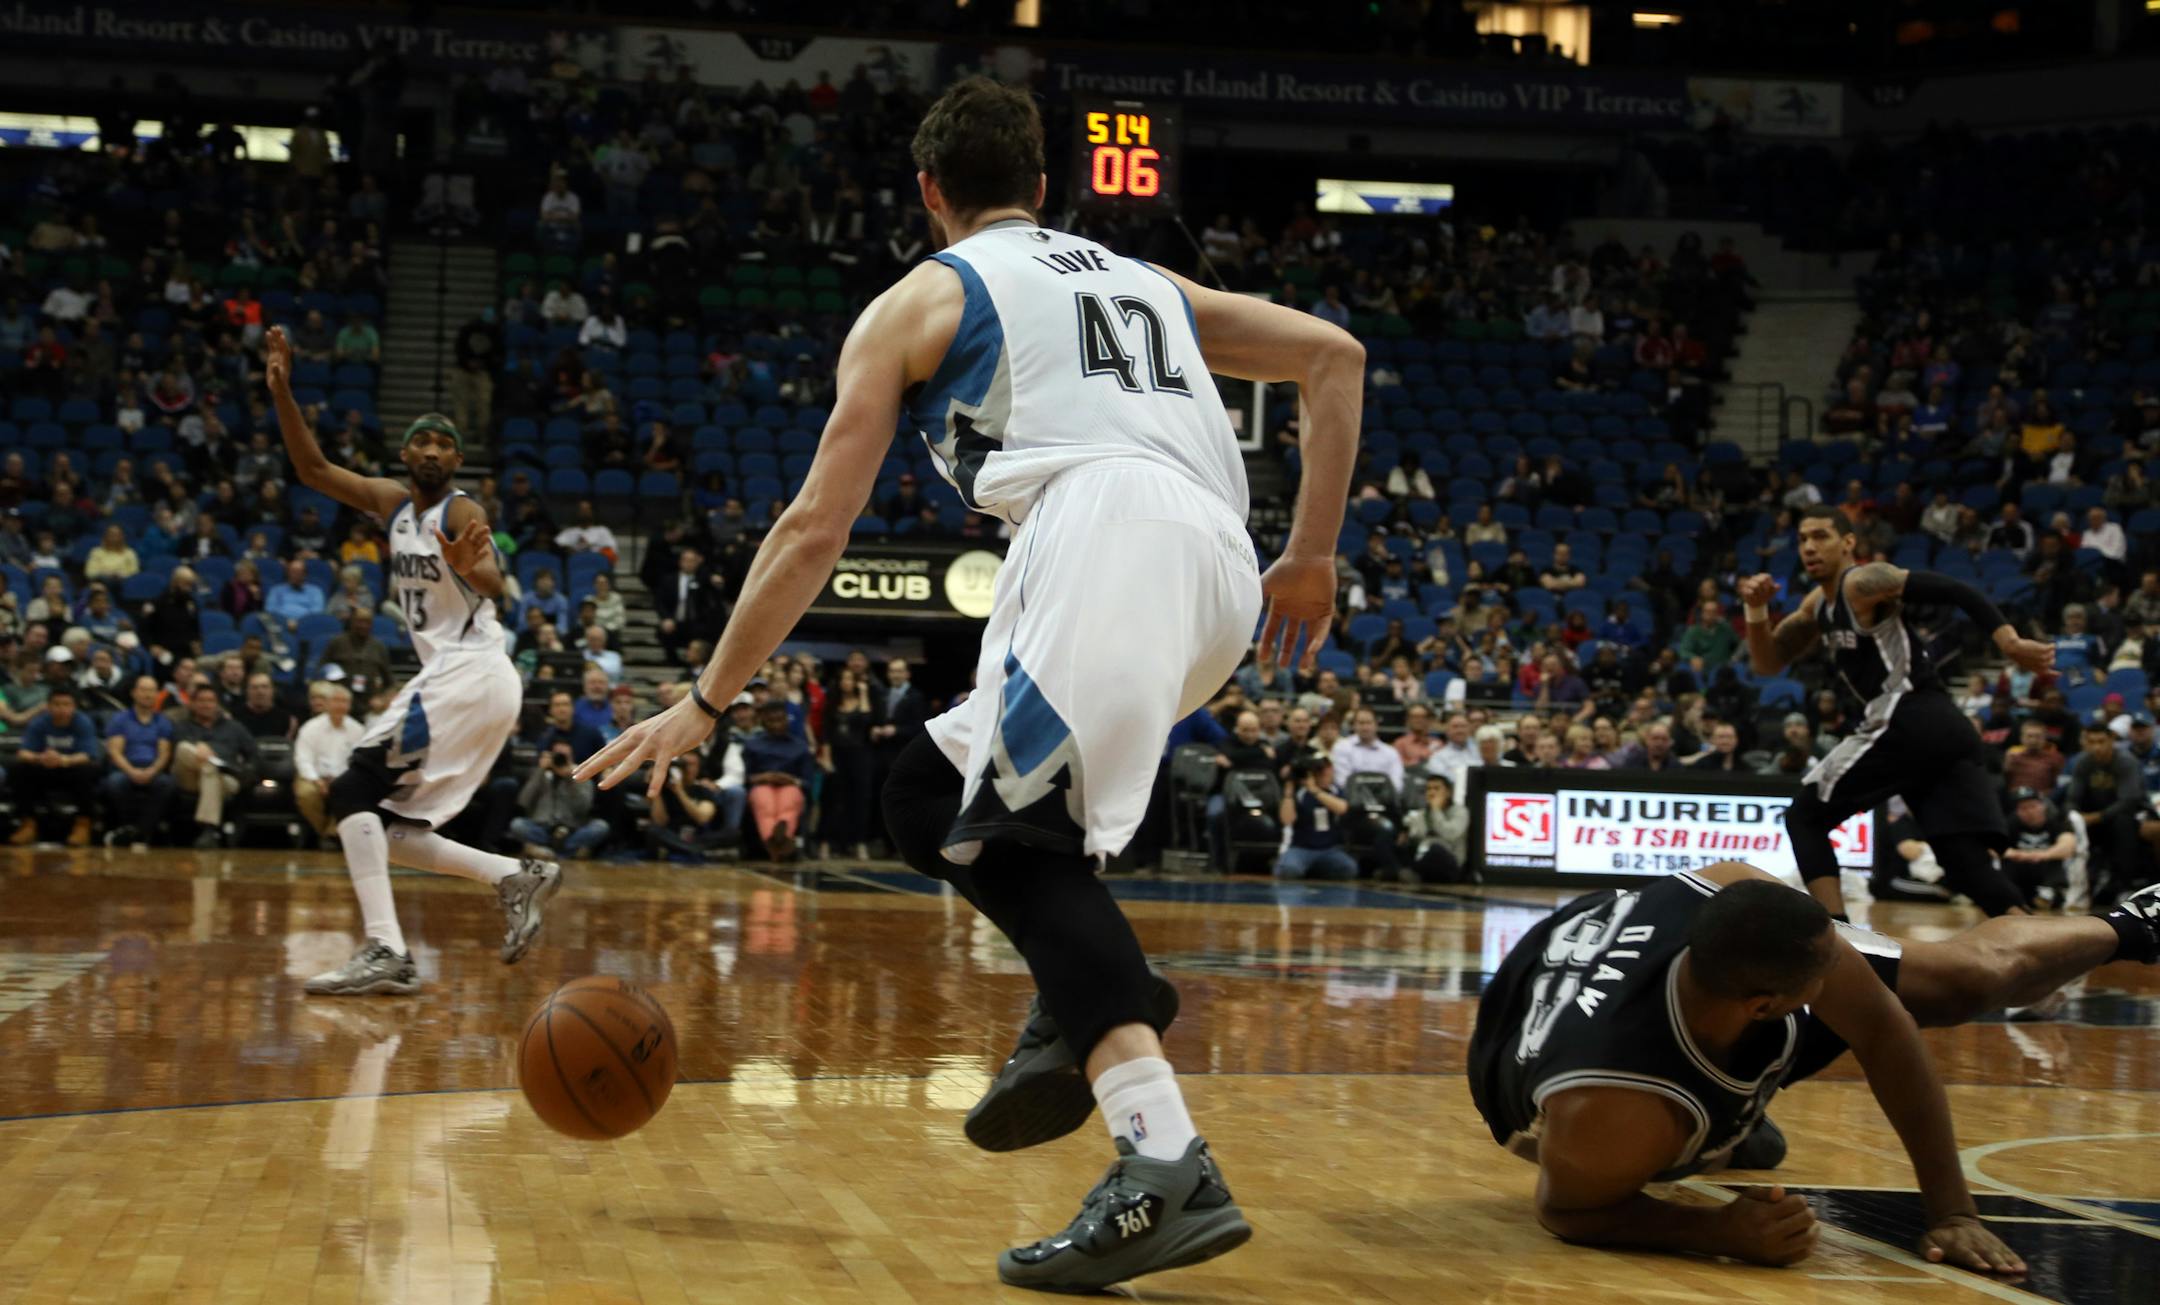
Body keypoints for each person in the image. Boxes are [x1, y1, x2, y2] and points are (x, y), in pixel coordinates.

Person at [576, 77, 1362, 1291]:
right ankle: (1084, 991)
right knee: (932, 797)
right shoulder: (1150, 282)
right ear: (1045, 188)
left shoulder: (921, 299)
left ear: (930, 193)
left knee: (987, 834)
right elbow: (1334, 357)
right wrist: (1308, 555)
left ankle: (1164, 1159)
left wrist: (712, 697)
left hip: (1101, 537)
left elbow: (811, 529)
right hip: (1217, 573)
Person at [1469, 860, 2160, 1272]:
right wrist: (1714, 1233)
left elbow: (1889, 1032)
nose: (1847, 965)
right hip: (1552, 1058)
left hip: (1667, 978)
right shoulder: (1612, 1104)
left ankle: (2138, 921)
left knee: (1961, 980)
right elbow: (1566, 1209)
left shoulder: (1733, 896)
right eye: (1829, 965)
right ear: (1769, 1003)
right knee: (1656, 1145)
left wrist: (1950, 1208)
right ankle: (1728, 1133)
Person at [266, 326, 560, 997]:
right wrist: (283, 392)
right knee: (384, 826)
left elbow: (495, 581)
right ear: (405, 453)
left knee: (348, 790)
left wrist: (474, 568)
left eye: (444, 442)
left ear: (457, 457)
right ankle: (514, 874)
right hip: (464, 680)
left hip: (472, 668)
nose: (431, 450)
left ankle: (386, 949)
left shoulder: (461, 508)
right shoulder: (391, 503)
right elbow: (312, 471)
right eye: (421, 441)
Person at [1742, 506, 2053, 919]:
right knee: (1964, 864)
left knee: (1805, 818)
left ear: (1848, 542)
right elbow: (1768, 663)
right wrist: (1757, 612)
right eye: (1802, 539)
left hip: (1906, 713)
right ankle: (2041, 948)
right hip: (1943, 728)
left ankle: (1837, 938)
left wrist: (2010, 642)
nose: (1810, 547)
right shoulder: (1818, 604)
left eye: (1821, 536)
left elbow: (1956, 590)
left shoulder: (1862, 581)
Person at [2068, 718, 2149, 903]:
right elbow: (2072, 798)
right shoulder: (2083, 762)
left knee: (2123, 822)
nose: (2097, 747)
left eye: (2101, 742)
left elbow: (2129, 801)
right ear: (2085, 742)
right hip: (2096, 817)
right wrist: (2074, 816)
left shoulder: (2125, 761)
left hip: (2128, 816)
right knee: (2069, 821)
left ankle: (2125, 886)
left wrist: (2095, 817)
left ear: (2111, 740)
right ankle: (2070, 884)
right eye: (2092, 742)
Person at [10, 686, 102, 846]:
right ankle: (27, 824)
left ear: (74, 706)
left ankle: (83, 825)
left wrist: (63, 760)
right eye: (57, 704)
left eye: (66, 704)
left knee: (86, 770)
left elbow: (88, 755)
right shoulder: (39, 722)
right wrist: (40, 758)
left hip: (70, 770)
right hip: (45, 769)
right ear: (48, 706)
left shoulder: (83, 722)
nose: (61, 709)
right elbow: (23, 753)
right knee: (20, 769)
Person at [172, 681, 257, 849]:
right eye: (201, 701)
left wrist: (248, 770)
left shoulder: (234, 727)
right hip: (189, 777)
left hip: (225, 778)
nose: (206, 705)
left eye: (210, 701)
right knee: (183, 748)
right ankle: (210, 831)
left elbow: (254, 753)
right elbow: (178, 750)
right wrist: (199, 749)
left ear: (217, 704)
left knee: (209, 770)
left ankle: (209, 830)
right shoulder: (182, 726)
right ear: (192, 704)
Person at [101, 674, 177, 845]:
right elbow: (115, 752)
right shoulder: (120, 719)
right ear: (134, 693)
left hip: (153, 769)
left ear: (157, 694)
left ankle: (140, 832)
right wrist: (131, 771)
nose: (147, 695)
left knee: (167, 784)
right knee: (115, 783)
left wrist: (152, 771)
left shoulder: (163, 721)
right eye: (143, 690)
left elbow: (164, 753)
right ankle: (131, 828)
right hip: (125, 768)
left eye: (152, 691)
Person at [740, 701, 816, 861]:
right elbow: (744, 777)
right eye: (771, 721)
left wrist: (792, 780)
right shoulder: (752, 745)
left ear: (787, 720)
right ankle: (781, 842)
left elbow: (807, 782)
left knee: (788, 800)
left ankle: (776, 840)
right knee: (764, 801)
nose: (776, 725)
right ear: (764, 723)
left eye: (780, 720)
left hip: (790, 786)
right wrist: (762, 778)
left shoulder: (800, 747)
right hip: (761, 786)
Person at [510, 741, 611, 860]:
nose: (560, 761)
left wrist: (572, 779)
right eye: (557, 756)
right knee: (517, 824)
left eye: (565, 757)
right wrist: (540, 771)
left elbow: (584, 807)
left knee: (600, 826)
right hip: (541, 827)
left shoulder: (582, 776)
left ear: (571, 758)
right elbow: (523, 801)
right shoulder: (539, 774)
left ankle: (544, 851)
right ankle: (569, 852)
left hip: (571, 829)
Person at [293, 681, 365, 838]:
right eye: (336, 701)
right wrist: (317, 780)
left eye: (344, 702)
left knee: (353, 791)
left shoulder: (358, 730)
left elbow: (359, 761)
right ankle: (326, 833)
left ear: (350, 705)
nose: (340, 706)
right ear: (327, 704)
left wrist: (340, 780)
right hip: (313, 777)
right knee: (306, 794)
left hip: (344, 778)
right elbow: (303, 759)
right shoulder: (311, 727)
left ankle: (335, 831)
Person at [1275, 754, 1358, 881]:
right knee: (1289, 870)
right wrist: (1288, 793)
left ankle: (1314, 870)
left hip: (1329, 849)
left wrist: (1315, 791)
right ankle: (1299, 866)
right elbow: (1287, 820)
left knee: (1348, 869)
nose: (1326, 773)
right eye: (1320, 770)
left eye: (1327, 768)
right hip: (1301, 847)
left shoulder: (1336, 791)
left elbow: (1342, 809)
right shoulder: (1300, 793)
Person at [1999, 785, 2078, 909]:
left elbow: (2068, 847)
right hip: (2020, 872)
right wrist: (2017, 854)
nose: (2029, 812)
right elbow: (1993, 847)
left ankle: (2047, 894)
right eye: (2023, 808)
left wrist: (2039, 855)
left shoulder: (2057, 819)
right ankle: (2008, 896)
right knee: (2008, 863)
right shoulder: (2011, 822)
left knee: (2055, 860)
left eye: (2032, 806)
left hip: (2046, 872)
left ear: (2042, 805)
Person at [1402, 773, 1469, 883]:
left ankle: (1408, 872)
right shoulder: (1423, 813)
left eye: (1436, 788)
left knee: (1435, 848)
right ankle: (1399, 870)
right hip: (1424, 856)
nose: (1432, 792)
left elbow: (1449, 834)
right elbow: (1419, 836)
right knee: (1389, 839)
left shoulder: (1460, 812)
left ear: (1448, 793)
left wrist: (1436, 810)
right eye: (1428, 789)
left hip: (1449, 862)